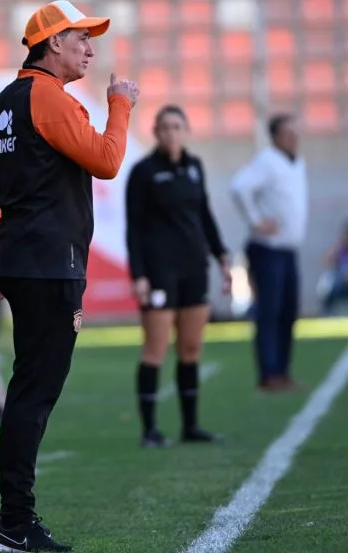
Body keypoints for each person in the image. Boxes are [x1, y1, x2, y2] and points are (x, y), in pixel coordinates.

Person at [0, 0, 139, 553]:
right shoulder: (50, 99)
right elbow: (107, 161)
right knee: (34, 392)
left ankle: (14, 516)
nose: (89, 48)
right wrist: (120, 105)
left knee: (29, 387)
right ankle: (14, 519)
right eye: (81, 37)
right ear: (53, 43)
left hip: (23, 262)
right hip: (50, 264)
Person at [126, 104, 230, 446]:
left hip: (194, 267)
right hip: (159, 271)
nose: (171, 132)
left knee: (190, 347)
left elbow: (204, 215)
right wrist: (139, 274)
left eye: (176, 126)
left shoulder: (195, 167)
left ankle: (191, 426)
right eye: (165, 127)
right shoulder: (143, 172)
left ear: (186, 131)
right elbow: (134, 228)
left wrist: (221, 256)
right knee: (155, 349)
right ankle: (149, 430)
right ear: (156, 132)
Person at [230, 114, 307, 391]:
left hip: (287, 249)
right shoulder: (267, 161)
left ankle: (282, 370)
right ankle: (268, 373)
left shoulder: (297, 162)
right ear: (275, 136)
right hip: (267, 248)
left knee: (288, 311)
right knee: (270, 311)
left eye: (295, 132)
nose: (293, 138)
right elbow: (239, 188)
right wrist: (256, 221)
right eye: (288, 133)